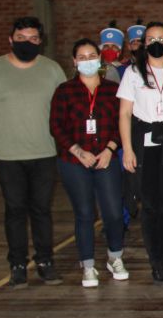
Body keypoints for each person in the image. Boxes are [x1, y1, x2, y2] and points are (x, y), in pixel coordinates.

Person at [0, 16, 67, 288]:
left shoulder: (51, 69)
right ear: (11, 39)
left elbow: (62, 106)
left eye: (33, 38)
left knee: (41, 209)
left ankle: (45, 261)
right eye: (21, 38)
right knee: (15, 210)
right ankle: (17, 264)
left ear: (40, 41)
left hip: (44, 151)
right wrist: (7, 124)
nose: (27, 43)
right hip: (8, 154)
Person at [50, 38, 127, 287]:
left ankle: (115, 257)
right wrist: (78, 151)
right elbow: (56, 126)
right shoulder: (64, 91)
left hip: (106, 159)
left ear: (99, 59)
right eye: (82, 57)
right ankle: (88, 265)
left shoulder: (113, 90)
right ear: (74, 62)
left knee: (113, 212)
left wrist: (110, 149)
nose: (87, 61)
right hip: (74, 161)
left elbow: (121, 124)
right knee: (84, 213)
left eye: (92, 56)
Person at [118, 21, 163, 285]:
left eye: (161, 38)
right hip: (145, 145)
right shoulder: (133, 72)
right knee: (150, 206)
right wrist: (127, 149)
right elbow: (125, 113)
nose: (156, 43)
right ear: (144, 43)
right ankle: (155, 261)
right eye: (150, 39)